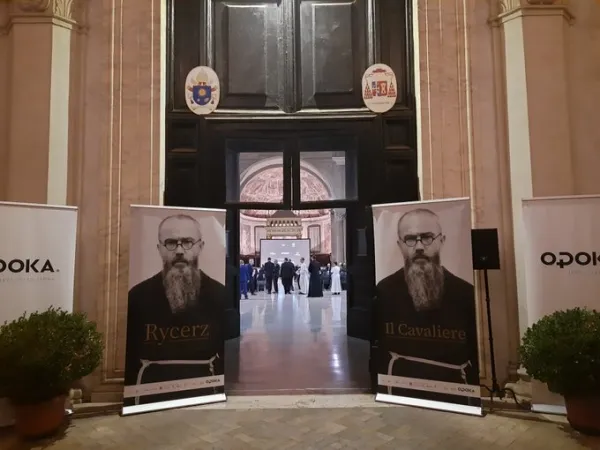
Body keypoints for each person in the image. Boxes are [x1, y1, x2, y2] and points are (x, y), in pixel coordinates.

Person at [375, 208, 478, 406]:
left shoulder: (465, 292)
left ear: (442, 240)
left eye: (427, 238)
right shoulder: (385, 290)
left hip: (454, 386)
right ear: (400, 245)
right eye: (411, 239)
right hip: (399, 383)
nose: (419, 246)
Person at [124, 214, 225, 407]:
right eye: (171, 243)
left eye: (187, 242)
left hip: (207, 386)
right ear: (159, 249)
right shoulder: (137, 296)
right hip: (151, 390)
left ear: (200, 246)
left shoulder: (219, 294)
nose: (179, 250)